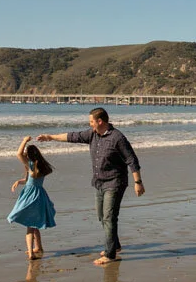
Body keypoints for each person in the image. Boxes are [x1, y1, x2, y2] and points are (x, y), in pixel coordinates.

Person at [37, 108, 143, 266]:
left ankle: (110, 254)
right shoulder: (92, 134)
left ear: (100, 121)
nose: (90, 124)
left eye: (91, 121)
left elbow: (131, 160)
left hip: (115, 183)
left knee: (109, 217)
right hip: (99, 182)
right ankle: (115, 244)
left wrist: (138, 182)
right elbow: (72, 136)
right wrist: (50, 137)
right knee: (101, 216)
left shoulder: (117, 138)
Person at [7, 136, 57, 260]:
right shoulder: (42, 167)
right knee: (35, 224)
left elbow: (18, 154)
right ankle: (38, 247)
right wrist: (19, 181)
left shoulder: (30, 165)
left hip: (30, 196)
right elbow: (32, 180)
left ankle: (30, 252)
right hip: (40, 195)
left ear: (29, 155)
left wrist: (24, 140)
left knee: (30, 226)